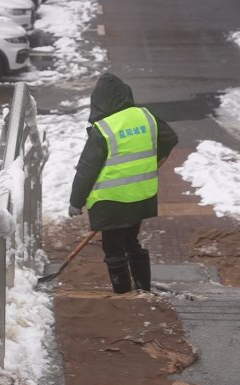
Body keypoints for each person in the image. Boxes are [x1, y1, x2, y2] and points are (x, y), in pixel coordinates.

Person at [68, 73, 178, 294]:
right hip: (140, 196)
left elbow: (86, 170)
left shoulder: (104, 130)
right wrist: (154, 161)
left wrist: (76, 201)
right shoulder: (145, 117)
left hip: (112, 201)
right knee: (131, 242)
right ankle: (142, 289)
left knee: (113, 249)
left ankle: (124, 296)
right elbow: (170, 138)